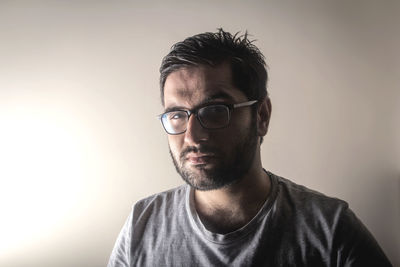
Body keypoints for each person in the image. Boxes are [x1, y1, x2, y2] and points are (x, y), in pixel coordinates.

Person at [108, 29, 392, 266]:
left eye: (215, 110)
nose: (192, 136)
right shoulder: (141, 226)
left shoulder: (330, 231)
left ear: (261, 116)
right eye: (177, 115)